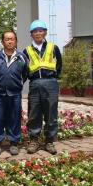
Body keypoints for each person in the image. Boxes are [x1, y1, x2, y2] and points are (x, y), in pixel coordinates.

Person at [23, 20, 62, 155]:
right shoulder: (26, 51)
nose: (38, 33)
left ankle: (49, 141)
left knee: (51, 113)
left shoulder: (53, 48)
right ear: (31, 34)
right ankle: (34, 140)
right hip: (34, 83)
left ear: (45, 32)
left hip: (50, 82)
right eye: (35, 31)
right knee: (34, 113)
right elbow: (24, 69)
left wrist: (53, 78)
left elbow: (59, 65)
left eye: (40, 30)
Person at [0, 30, 28, 156]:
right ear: (2, 42)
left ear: (16, 41)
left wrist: (16, 84)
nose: (10, 41)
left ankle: (14, 143)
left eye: (12, 39)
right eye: (7, 39)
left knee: (14, 117)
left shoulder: (22, 57)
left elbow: (25, 74)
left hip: (15, 93)